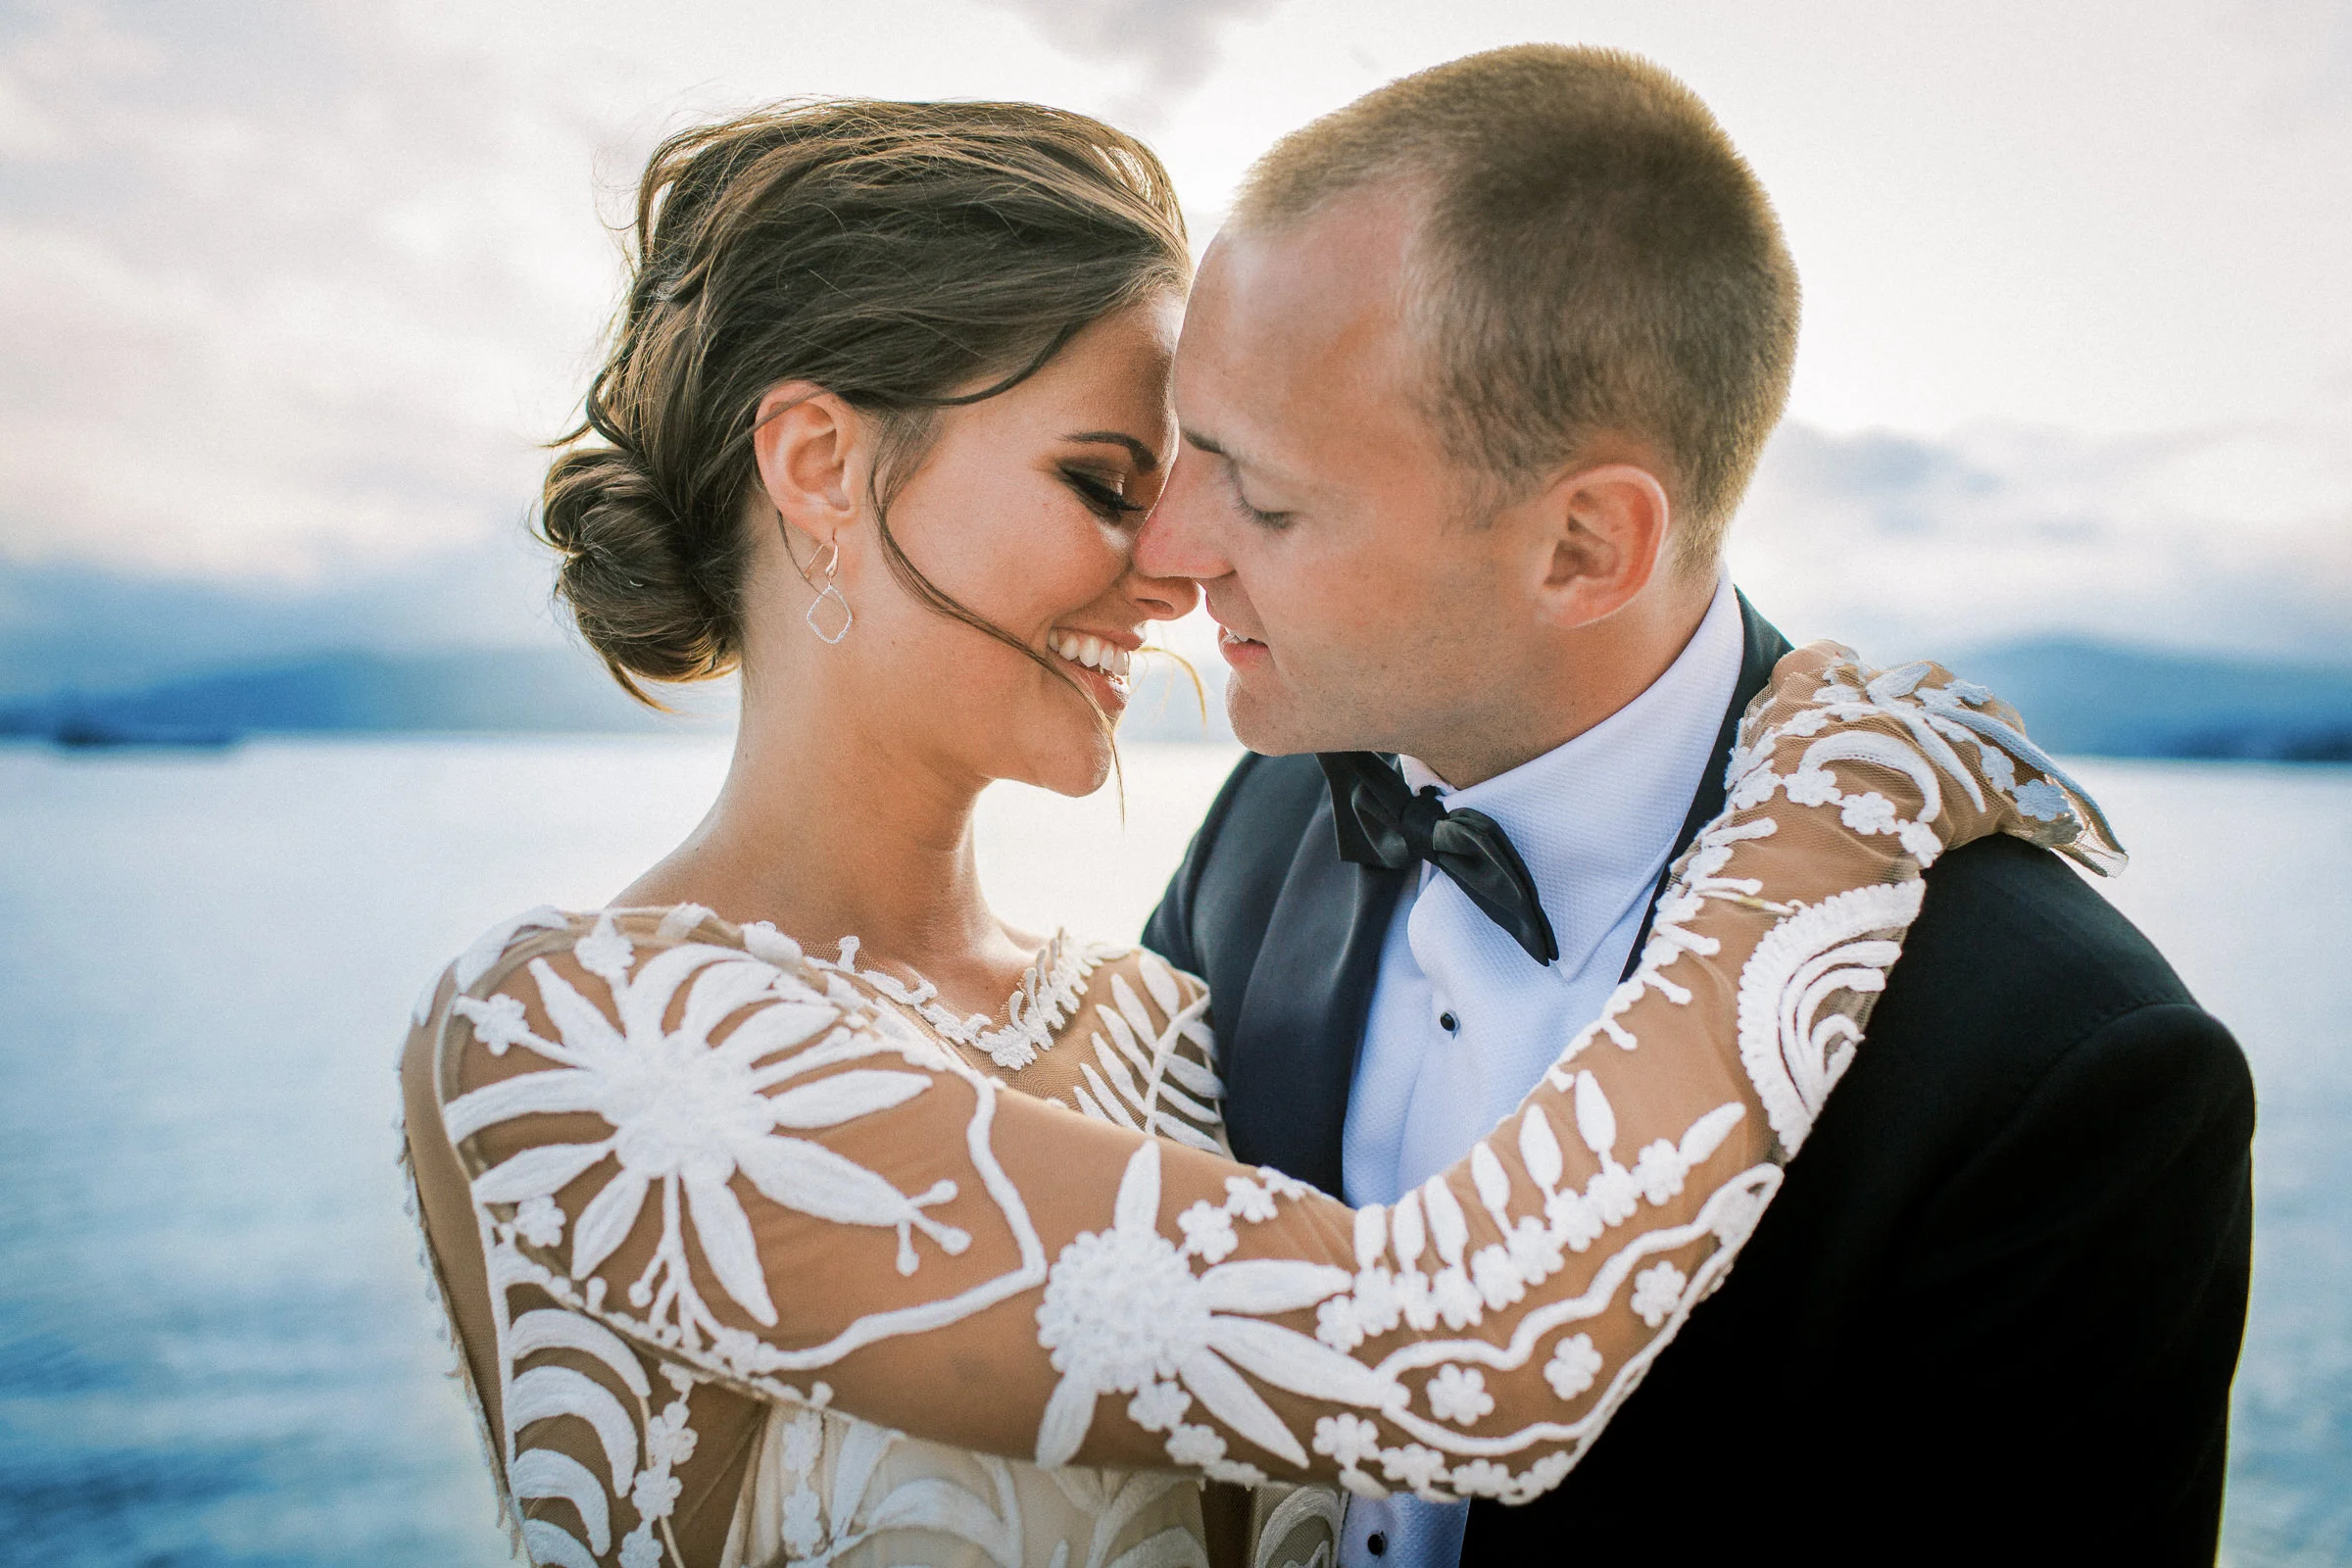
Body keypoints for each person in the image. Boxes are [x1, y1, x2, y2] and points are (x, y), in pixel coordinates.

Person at [398, 95, 2116, 1568]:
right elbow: (1462, 1350)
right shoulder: (566, 1040)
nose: (1181, 563)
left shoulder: (1164, 1020)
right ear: (815, 462)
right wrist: (1818, 824)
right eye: (1103, 481)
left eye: (1207, 480)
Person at [1137, 45, 2256, 1567]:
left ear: (1587, 547)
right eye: (1180, 447)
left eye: (1260, 497)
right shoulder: (1268, 820)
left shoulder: (2059, 1070)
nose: (1171, 543)